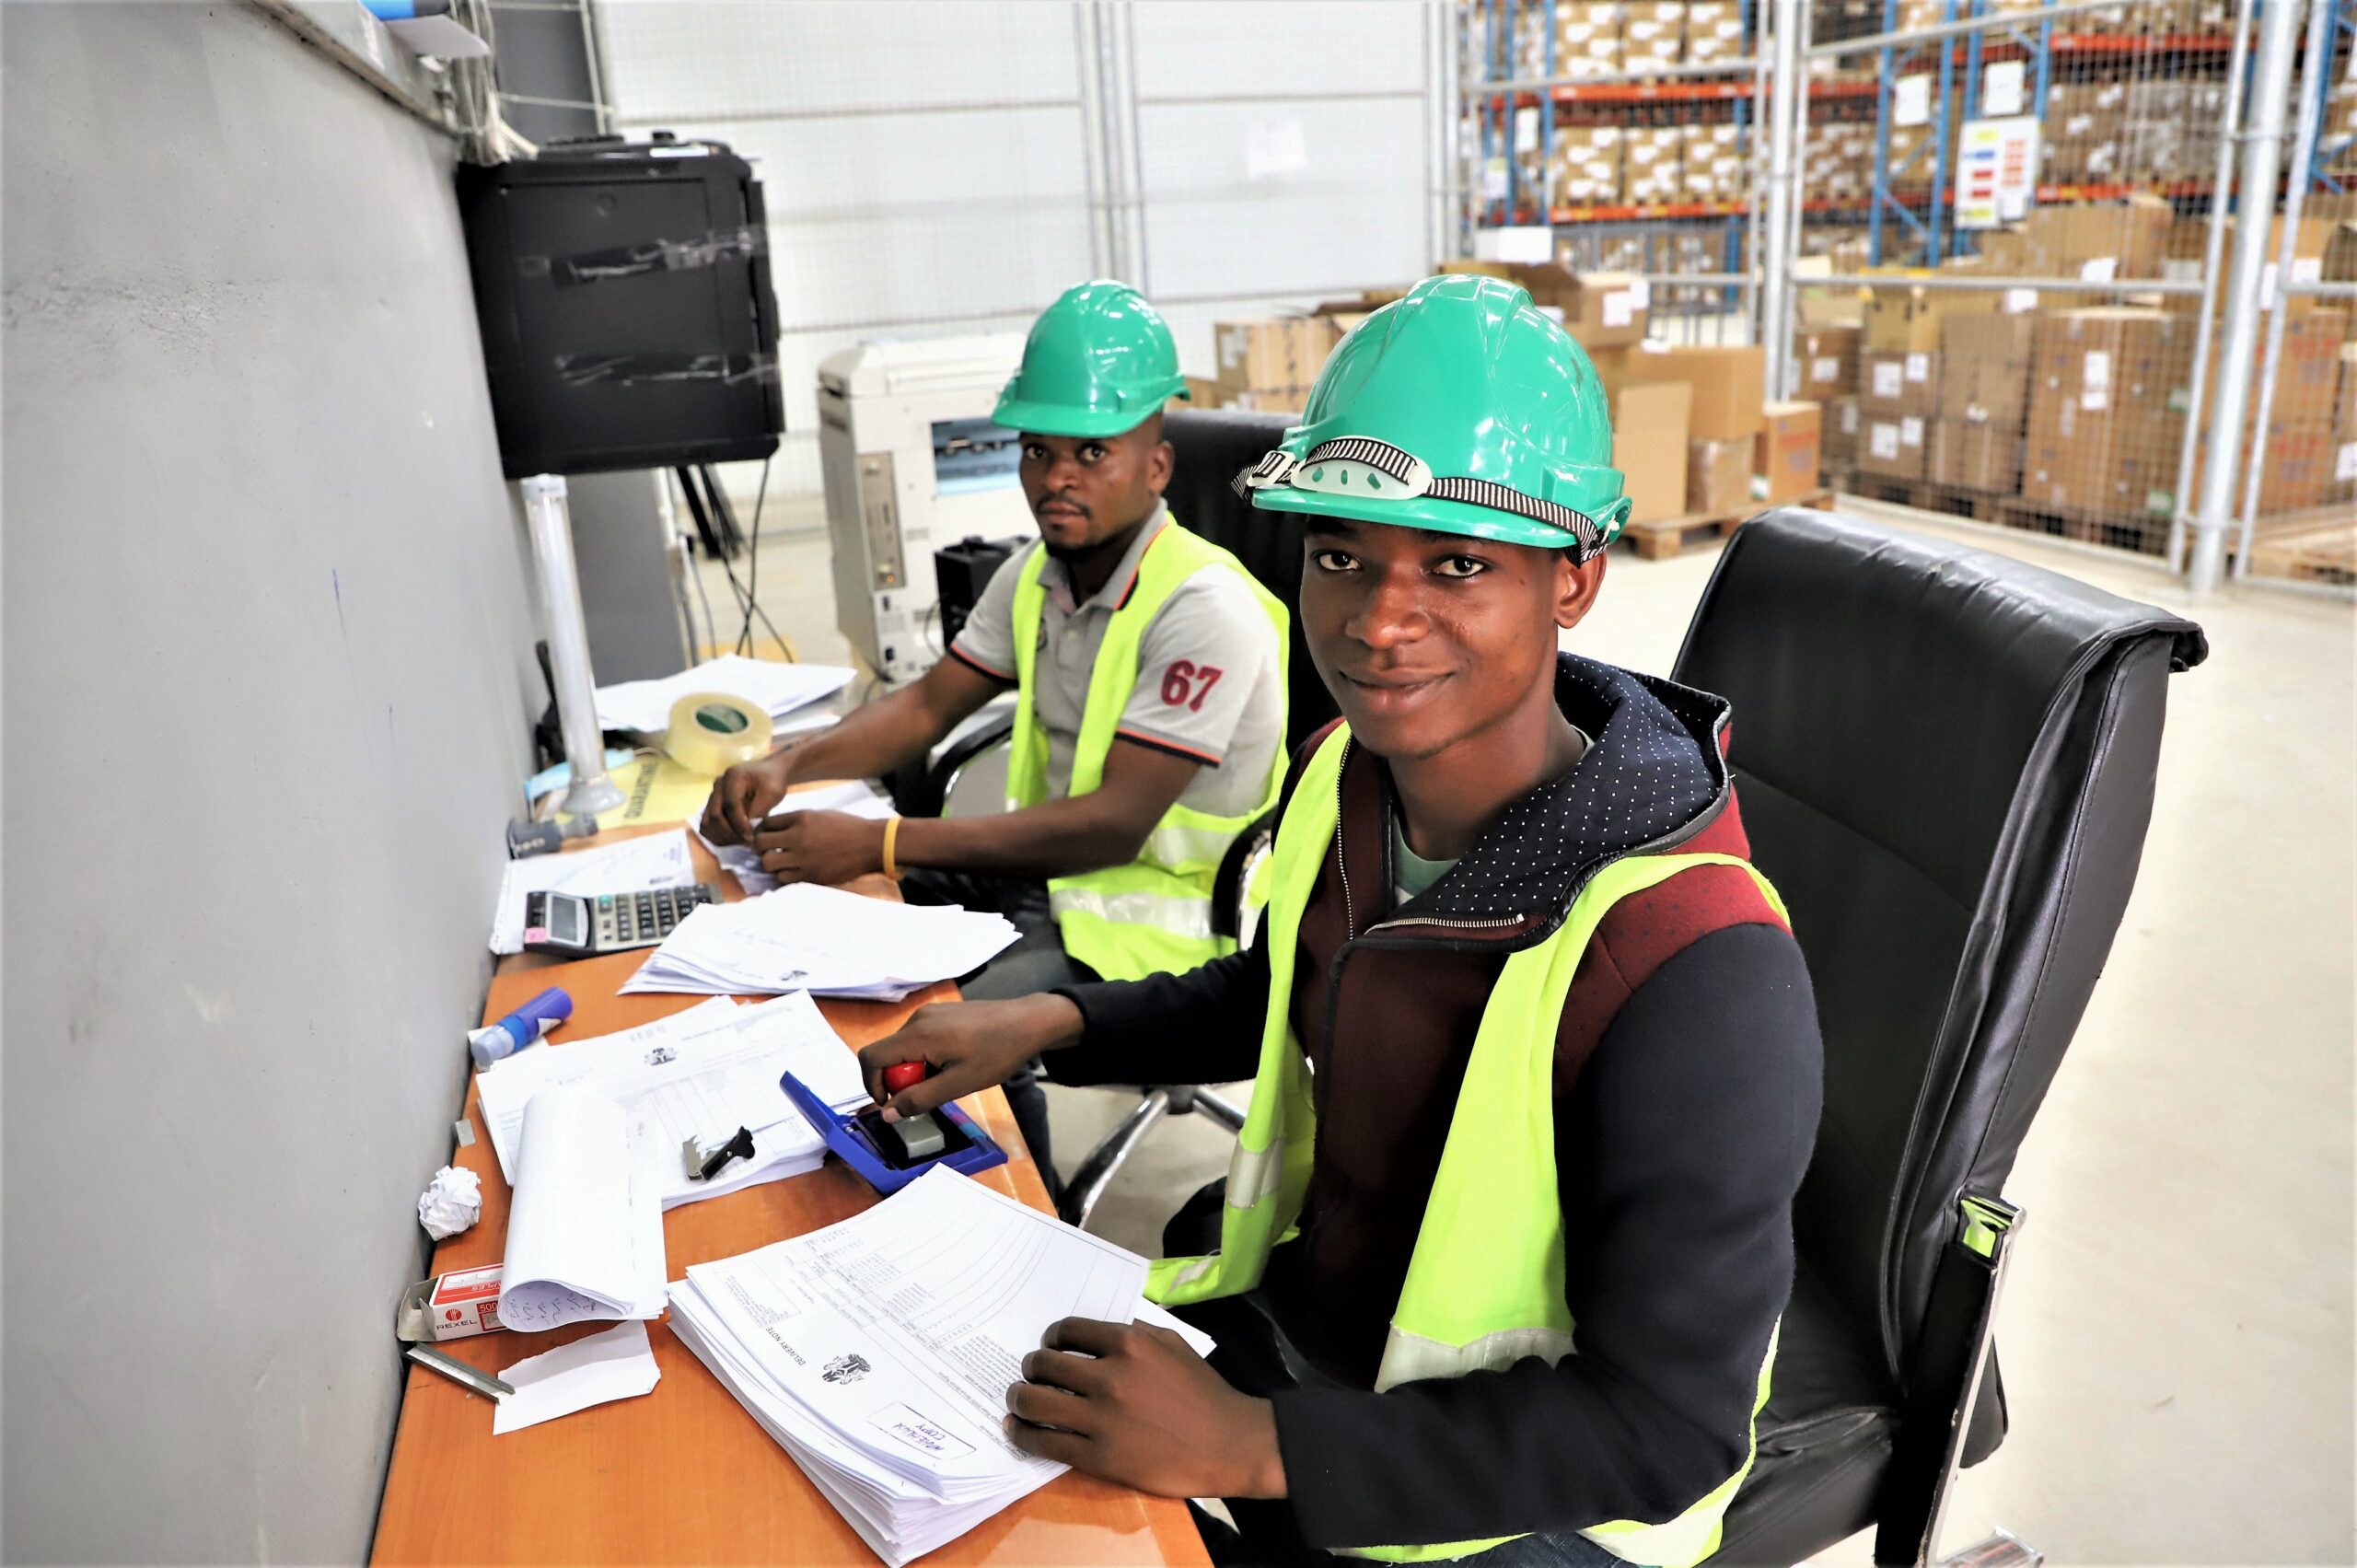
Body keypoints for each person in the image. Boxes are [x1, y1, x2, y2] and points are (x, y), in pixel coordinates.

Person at [854, 274, 1824, 1566]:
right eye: (1340, 557)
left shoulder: (1690, 960)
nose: (1377, 620)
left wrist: (1254, 1446)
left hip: (1546, 1497)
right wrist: (1050, 1018)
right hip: (1331, 1347)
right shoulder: (1348, 774)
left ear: (1576, 576)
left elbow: (1664, 1427)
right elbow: (1293, 988)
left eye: (1459, 564)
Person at [701, 280, 1289, 1204]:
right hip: (1044, 876)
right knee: (829, 919)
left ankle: (1024, 1217)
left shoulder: (1202, 609)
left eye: (1092, 452)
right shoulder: (1035, 573)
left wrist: (883, 838)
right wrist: (788, 762)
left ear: (1157, 466)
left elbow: (1112, 827)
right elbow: (929, 702)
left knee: (957, 1032)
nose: (1057, 477)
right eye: (1037, 451)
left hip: (1154, 917)